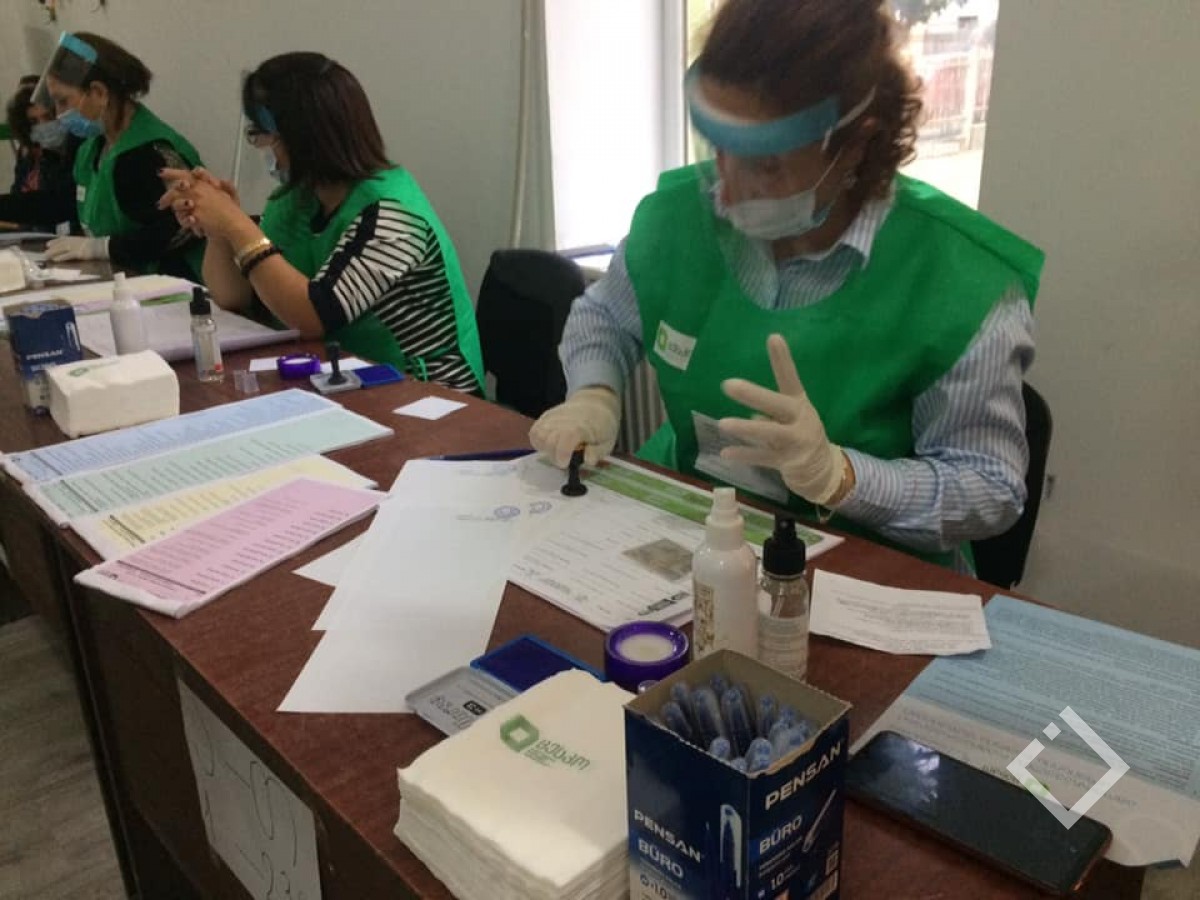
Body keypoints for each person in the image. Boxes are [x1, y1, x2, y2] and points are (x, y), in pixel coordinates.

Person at [530, 0, 1044, 571]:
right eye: (719, 146)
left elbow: (989, 487)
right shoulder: (677, 220)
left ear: (856, 145)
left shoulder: (959, 282)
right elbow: (605, 317)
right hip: (689, 528)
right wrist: (594, 396)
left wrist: (840, 476)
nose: (726, 190)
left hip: (867, 568)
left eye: (765, 164)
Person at [159, 52, 484, 393]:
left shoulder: (392, 215)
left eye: (264, 135)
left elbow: (312, 315)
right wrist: (219, 229)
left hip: (425, 391)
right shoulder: (297, 200)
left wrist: (235, 223)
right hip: (338, 374)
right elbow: (233, 297)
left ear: (305, 138)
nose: (261, 147)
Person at [33, 32, 204, 279]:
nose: (59, 114)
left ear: (98, 92)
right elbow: (64, 201)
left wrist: (102, 248)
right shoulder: (91, 147)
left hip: (174, 284)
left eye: (63, 101)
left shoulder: (147, 152)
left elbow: (182, 228)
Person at [1, 83, 80, 231]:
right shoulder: (32, 155)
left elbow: (57, 204)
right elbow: (18, 195)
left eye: (48, 117)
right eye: (34, 122)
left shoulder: (78, 150)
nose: (43, 126)